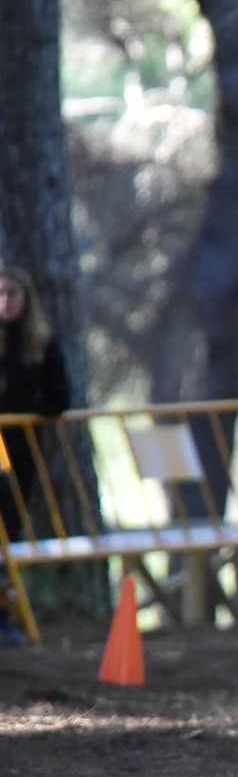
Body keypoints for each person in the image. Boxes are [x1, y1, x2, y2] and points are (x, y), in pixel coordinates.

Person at [0, 266, 71, 646]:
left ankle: (4, 614)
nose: (6, 301)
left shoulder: (41, 345)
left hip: (20, 451)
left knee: (8, 532)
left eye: (13, 294)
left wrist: (25, 406)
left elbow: (59, 399)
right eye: (1, 293)